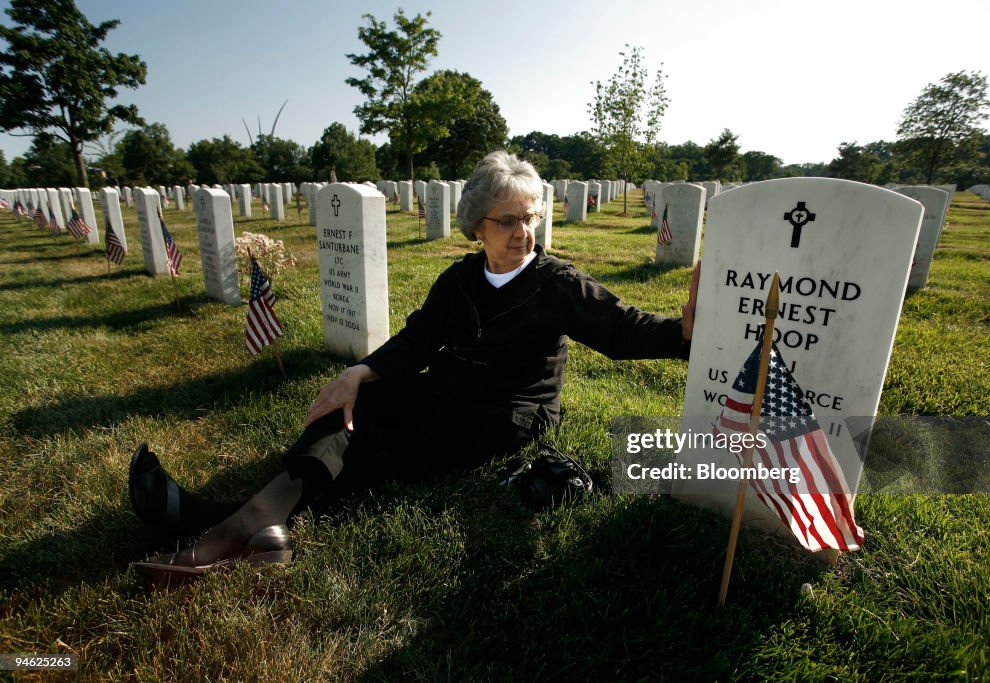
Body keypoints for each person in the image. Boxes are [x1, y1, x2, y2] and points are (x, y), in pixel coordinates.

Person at [130, 151, 700, 580]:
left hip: (510, 411)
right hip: (450, 388)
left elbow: (623, 332)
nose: (523, 233)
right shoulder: (458, 281)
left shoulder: (558, 284)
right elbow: (416, 342)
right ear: (478, 225)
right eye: (507, 220)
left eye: (529, 217)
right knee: (353, 407)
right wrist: (357, 375)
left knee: (383, 444)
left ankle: (225, 524)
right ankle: (258, 525)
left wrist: (686, 334)